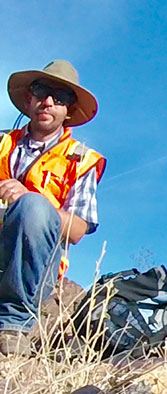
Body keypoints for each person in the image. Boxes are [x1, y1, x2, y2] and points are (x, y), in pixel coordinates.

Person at [0, 60, 104, 356]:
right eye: (41, 91)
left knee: (33, 206)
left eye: (60, 98)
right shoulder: (1, 142)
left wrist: (28, 199)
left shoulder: (81, 160)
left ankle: (13, 324)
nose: (48, 102)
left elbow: (78, 229)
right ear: (29, 99)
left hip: (36, 266)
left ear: (68, 111)